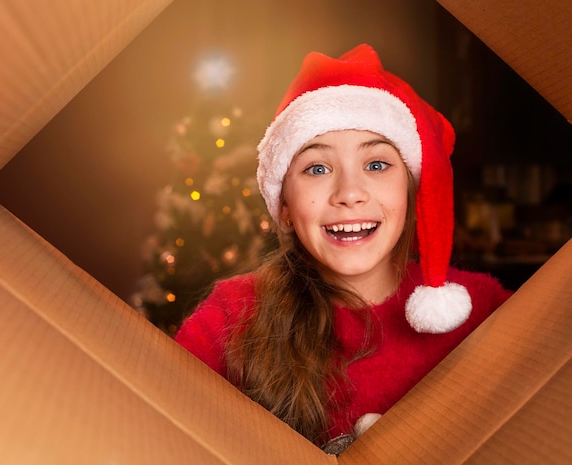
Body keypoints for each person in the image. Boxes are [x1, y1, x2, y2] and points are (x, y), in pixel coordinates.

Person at [174, 44, 511, 454]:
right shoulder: (230, 316)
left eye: (376, 165)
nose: (349, 193)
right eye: (317, 168)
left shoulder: (485, 309)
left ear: (410, 189)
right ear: (283, 206)